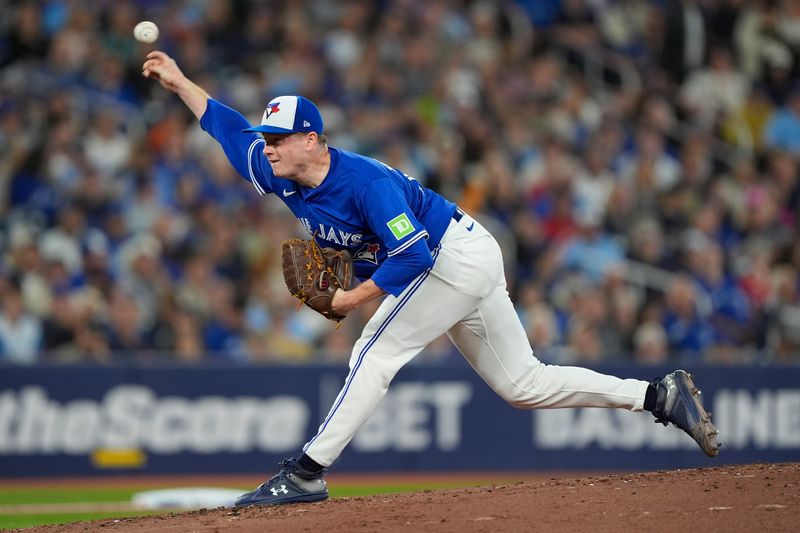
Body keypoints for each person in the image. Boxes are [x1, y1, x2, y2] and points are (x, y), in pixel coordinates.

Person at [141, 51, 720, 507]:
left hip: (451, 256)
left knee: (373, 352)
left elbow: (414, 254)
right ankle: (658, 395)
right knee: (524, 385)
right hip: (460, 259)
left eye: (278, 139)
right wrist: (181, 83)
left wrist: (350, 297)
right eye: (266, 140)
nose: (266, 148)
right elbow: (227, 129)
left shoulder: (365, 182)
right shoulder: (278, 171)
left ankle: (307, 474)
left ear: (312, 139)